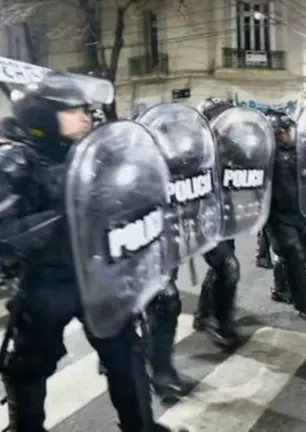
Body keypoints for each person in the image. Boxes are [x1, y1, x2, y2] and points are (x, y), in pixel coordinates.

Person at [0, 75, 176, 431]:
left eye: (86, 109)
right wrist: (66, 215)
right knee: (30, 365)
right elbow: (6, 233)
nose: (86, 117)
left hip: (98, 275)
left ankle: (140, 426)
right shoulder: (15, 162)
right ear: (43, 116)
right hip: (44, 284)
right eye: (73, 110)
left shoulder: (90, 155)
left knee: (125, 353)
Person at [191, 97, 244, 348]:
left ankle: (203, 314)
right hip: (204, 217)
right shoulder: (193, 147)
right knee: (229, 267)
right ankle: (223, 325)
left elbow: (251, 163)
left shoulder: (231, 145)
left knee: (221, 267)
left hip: (226, 214)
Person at [264, 111, 306, 321]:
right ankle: (304, 304)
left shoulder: (299, 151)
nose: (290, 135)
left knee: (297, 254)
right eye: (286, 132)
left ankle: (280, 288)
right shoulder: (265, 155)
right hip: (277, 215)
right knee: (294, 256)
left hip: (298, 211)